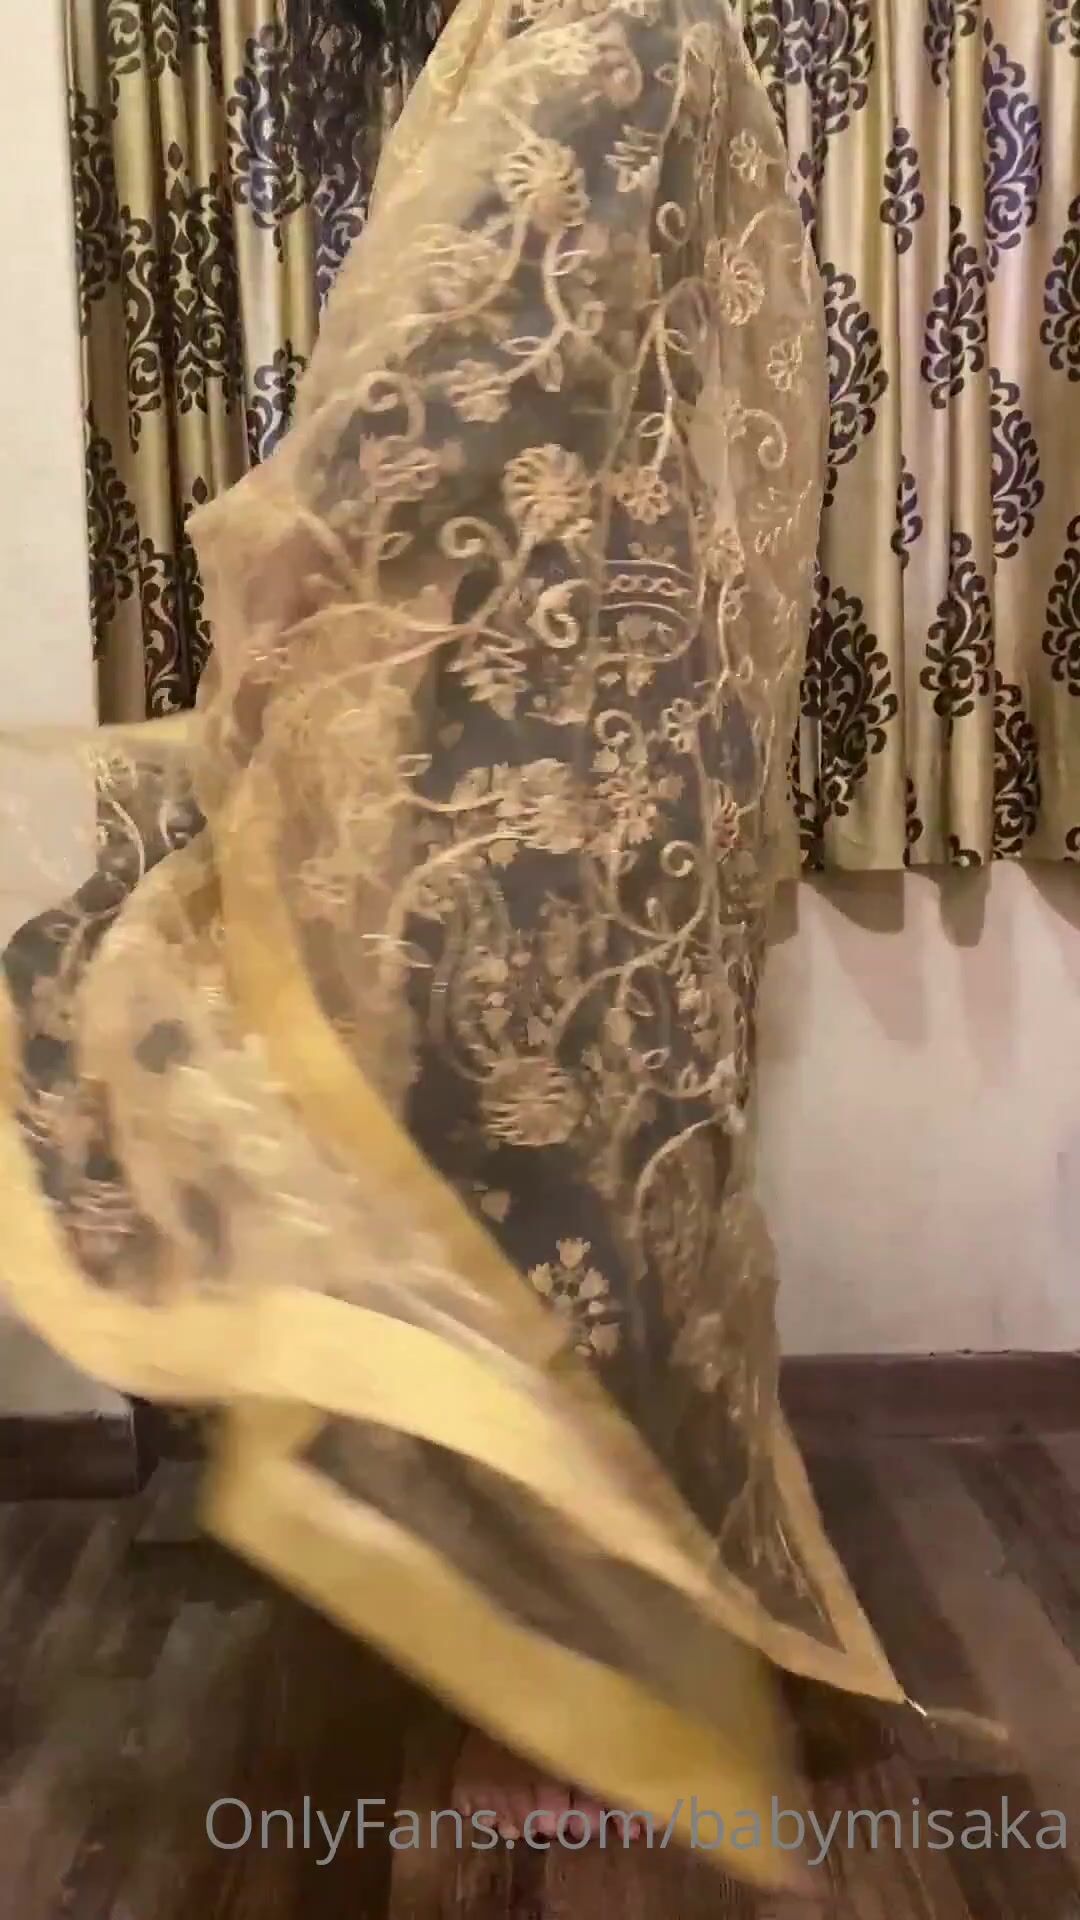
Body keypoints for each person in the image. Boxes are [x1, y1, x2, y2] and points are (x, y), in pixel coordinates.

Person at [0, 0, 913, 1894]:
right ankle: (589, 1651)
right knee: (575, 1191)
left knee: (557, 1203)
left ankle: (585, 1694)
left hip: (546, 737)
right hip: (554, 718)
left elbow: (458, 376)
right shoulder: (570, 31)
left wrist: (277, 584)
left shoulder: (608, 38)